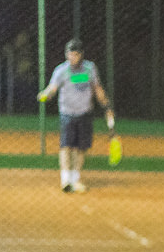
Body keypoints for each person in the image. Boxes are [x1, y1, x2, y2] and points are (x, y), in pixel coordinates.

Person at [37, 38, 115, 193]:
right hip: (67, 113)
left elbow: (97, 88)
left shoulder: (89, 69)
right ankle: (65, 179)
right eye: (69, 54)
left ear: (81, 55)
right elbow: (53, 87)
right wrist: (46, 94)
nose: (72, 57)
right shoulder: (61, 70)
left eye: (75, 54)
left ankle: (75, 179)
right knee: (66, 145)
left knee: (80, 148)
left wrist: (106, 105)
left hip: (84, 113)